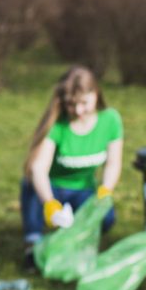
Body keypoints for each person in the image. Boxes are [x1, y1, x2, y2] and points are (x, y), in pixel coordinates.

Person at [20, 65, 123, 268]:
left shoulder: (110, 120)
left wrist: (105, 190)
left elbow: (113, 163)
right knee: (30, 183)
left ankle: (75, 240)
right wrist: (49, 203)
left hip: (83, 190)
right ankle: (32, 243)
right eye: (71, 104)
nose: (78, 111)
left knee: (107, 218)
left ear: (96, 94)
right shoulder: (57, 124)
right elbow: (38, 168)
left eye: (84, 103)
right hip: (52, 188)